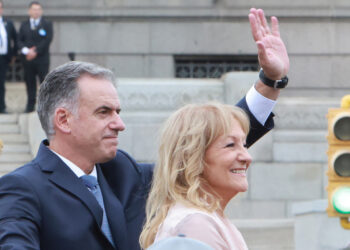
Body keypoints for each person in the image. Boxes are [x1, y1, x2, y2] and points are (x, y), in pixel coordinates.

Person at [0, 7, 288, 250]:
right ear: (63, 120)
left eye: (118, 112)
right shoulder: (22, 188)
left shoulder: (122, 172)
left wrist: (270, 82)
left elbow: (204, 151)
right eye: (104, 112)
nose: (119, 124)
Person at [140, 8, 289, 250]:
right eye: (231, 145)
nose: (247, 156)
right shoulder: (196, 224)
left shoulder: (206, 217)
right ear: (193, 159)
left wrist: (273, 79)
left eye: (243, 143)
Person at [18, 1, 53, 113]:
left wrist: (36, 51)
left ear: (41, 11)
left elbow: (47, 40)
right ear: (29, 11)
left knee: (44, 82)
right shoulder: (24, 25)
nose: (36, 11)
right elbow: (19, 40)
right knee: (29, 82)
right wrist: (26, 51)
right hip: (28, 60)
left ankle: (44, 106)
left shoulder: (47, 24)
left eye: (38, 9)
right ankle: (30, 105)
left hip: (42, 59)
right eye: (34, 9)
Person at [0, 0, 17, 114]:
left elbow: (15, 39)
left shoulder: (8, 23)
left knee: (1, 82)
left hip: (3, 58)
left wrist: (14, 55)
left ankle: (1, 106)